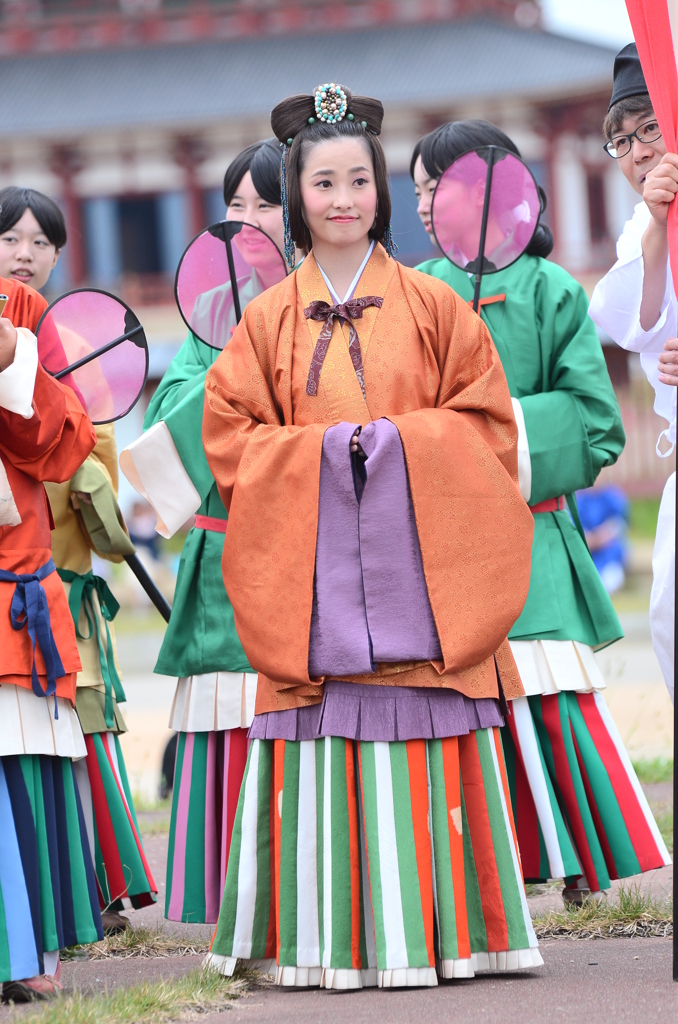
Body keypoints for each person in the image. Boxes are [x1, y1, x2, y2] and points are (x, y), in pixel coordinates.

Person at [202, 82, 542, 989]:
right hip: (312, 590)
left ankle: (452, 933)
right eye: (323, 184)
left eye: (359, 181)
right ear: (296, 196)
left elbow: (487, 422)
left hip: (424, 580)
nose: (344, 199)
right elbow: (230, 434)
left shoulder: (436, 306)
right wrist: (322, 458)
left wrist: (393, 448)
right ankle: (318, 941)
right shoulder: (267, 317)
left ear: (382, 191)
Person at [412, 119, 670, 901]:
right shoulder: (416, 292)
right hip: (444, 537)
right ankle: (478, 872)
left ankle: (582, 861)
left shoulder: (553, 289)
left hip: (534, 532)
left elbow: (595, 421)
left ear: (496, 186)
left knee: (551, 695)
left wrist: (495, 440)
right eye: (418, 190)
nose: (422, 205)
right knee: (461, 703)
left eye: (438, 186)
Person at [120, 139, 284, 925]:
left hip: (313, 544)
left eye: (267, 203)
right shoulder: (206, 318)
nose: (249, 221)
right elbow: (169, 415)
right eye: (237, 205)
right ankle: (234, 893)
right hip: (226, 551)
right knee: (228, 716)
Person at [0, 187, 157, 933]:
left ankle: (95, 885)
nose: (23, 254)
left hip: (48, 572)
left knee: (78, 730)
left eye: (40, 242)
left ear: (61, 255)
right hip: (25, 562)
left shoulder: (47, 336)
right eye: (9, 238)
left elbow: (79, 448)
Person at [0, 307, 102, 1002]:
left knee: (19, 758)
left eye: (42, 240)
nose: (25, 253)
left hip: (11, 585)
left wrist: (11, 356)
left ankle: (24, 940)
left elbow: (62, 445)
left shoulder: (17, 308)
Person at [589, 42, 677, 703]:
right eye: (621, 140)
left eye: (650, 127)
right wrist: (653, 224)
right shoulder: (637, 227)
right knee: (667, 615)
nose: (638, 150)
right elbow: (632, 323)